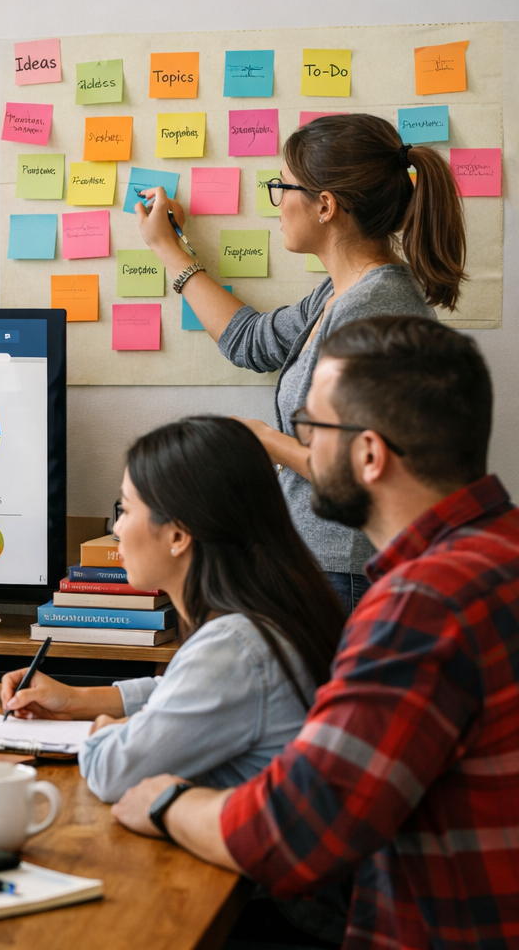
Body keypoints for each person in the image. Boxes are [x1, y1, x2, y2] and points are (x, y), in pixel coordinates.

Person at [111, 316, 519, 950]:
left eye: (312, 427)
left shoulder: (423, 607)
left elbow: (296, 832)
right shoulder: (499, 554)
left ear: (368, 455)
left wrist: (168, 802)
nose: (297, 446)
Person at [133, 113, 466, 611]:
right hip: (321, 562)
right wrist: (169, 247)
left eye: (281, 186)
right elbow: (249, 340)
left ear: (326, 205)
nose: (278, 201)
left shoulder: (376, 309)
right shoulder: (339, 294)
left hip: (349, 571)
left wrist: (264, 441)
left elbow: (357, 470)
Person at [2, 417, 343, 804]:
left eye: (126, 511)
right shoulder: (268, 614)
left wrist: (102, 729)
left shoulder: (233, 648)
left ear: (178, 535)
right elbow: (186, 691)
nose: (116, 530)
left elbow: (112, 771)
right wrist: (81, 700)